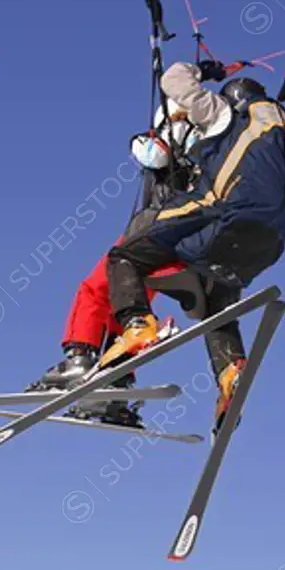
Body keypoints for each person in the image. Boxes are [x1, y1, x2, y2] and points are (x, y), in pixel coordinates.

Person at [98, 59, 285, 438]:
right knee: (217, 303)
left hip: (229, 212)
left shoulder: (226, 115)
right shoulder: (275, 133)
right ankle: (230, 373)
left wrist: (206, 70)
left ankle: (137, 324)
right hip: (271, 241)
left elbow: (173, 79)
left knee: (126, 253)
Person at [24, 99, 207, 427]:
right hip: (182, 243)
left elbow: (148, 153)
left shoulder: (181, 138)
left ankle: (81, 358)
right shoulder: (216, 148)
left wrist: (155, 131)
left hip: (154, 231)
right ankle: (114, 381)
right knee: (130, 305)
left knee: (95, 290)